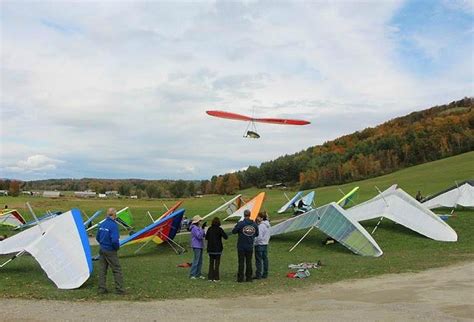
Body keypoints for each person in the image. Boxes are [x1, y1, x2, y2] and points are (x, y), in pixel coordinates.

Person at [96, 208, 124, 294]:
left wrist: (102, 243)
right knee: (117, 269)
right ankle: (119, 289)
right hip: (110, 250)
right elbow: (115, 240)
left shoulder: (102, 224)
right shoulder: (113, 225)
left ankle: (101, 288)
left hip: (102, 249)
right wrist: (116, 247)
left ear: (107, 215)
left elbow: (97, 237)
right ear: (114, 216)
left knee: (102, 269)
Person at [232, 209, 258, 282]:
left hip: (241, 246)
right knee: (249, 262)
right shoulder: (254, 224)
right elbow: (257, 234)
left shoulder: (241, 223)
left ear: (244, 215)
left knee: (241, 262)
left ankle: (240, 278)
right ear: (250, 215)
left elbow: (234, 231)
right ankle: (249, 278)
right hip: (250, 245)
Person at [205, 217, 228, 282]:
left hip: (210, 249)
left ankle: (210, 277)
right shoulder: (219, 229)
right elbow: (225, 237)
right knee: (217, 263)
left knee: (211, 263)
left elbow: (206, 237)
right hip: (218, 249)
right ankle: (216, 277)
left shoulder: (209, 229)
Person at [254, 212, 271, 279]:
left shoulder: (261, 226)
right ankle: (265, 273)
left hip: (259, 244)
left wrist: (254, 242)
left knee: (258, 260)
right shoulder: (268, 225)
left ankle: (258, 274)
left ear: (261, 218)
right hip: (265, 244)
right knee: (265, 259)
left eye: (258, 217)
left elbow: (259, 236)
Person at [189, 215, 206, 279]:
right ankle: (192, 274)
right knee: (196, 260)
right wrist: (202, 229)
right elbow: (199, 236)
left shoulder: (198, 227)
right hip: (196, 246)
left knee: (200, 260)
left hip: (200, 245)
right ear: (197, 221)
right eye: (200, 221)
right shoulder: (194, 228)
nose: (201, 222)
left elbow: (203, 235)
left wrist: (203, 229)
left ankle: (198, 274)